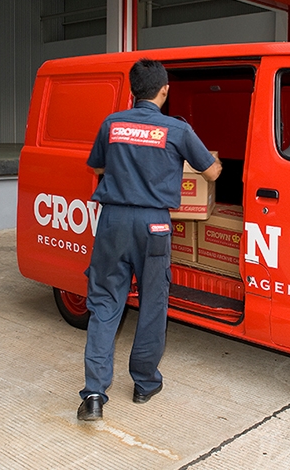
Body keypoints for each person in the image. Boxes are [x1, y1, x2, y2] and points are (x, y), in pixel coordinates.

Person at [77, 58, 222, 421]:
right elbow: (212, 170)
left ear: (132, 91)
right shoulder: (176, 129)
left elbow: (96, 166)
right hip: (153, 225)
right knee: (152, 305)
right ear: (164, 90)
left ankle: (94, 394)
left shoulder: (112, 123)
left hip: (112, 222)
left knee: (104, 305)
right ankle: (144, 383)